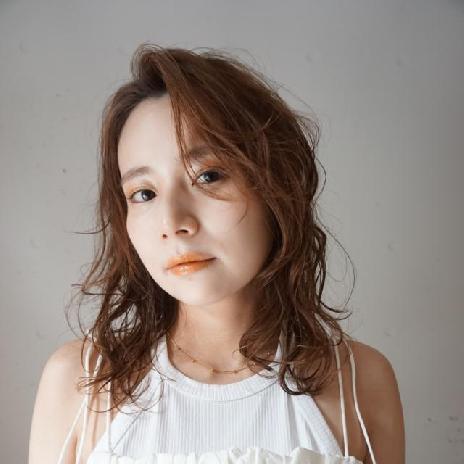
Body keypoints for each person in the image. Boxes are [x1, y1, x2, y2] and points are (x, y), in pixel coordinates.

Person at [28, 43, 405, 464]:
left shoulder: (360, 384)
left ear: (276, 187)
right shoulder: (79, 384)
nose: (174, 221)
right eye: (144, 193)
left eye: (208, 176)